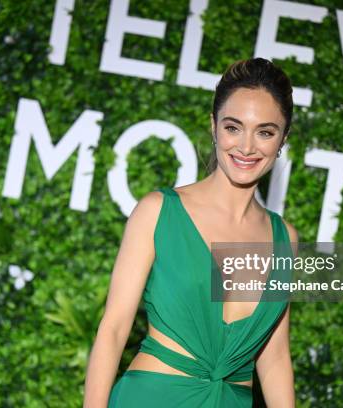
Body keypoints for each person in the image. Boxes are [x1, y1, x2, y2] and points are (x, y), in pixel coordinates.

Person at [84, 57, 299, 408]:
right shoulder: (159, 211)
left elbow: (274, 359)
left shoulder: (283, 239)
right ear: (214, 126)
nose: (246, 147)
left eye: (265, 131)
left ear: (282, 139)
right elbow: (113, 329)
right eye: (233, 127)